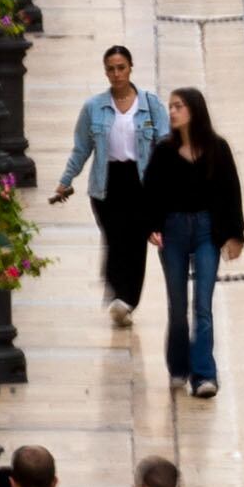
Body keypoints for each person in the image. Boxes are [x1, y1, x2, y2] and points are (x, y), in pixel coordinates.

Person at [133, 85, 244, 399]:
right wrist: (151, 227)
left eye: (178, 106)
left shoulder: (217, 149)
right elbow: (151, 193)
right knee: (177, 306)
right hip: (173, 230)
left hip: (207, 229)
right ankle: (178, 366)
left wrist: (236, 235)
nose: (172, 112)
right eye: (170, 106)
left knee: (203, 306)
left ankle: (204, 374)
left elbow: (230, 192)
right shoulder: (164, 151)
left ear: (194, 110)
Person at [52, 45, 170, 328]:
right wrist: (65, 181)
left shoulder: (151, 105)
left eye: (121, 67)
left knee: (136, 241)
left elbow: (166, 146)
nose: (116, 74)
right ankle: (117, 291)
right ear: (105, 71)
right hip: (107, 183)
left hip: (141, 181)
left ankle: (127, 299)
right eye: (111, 69)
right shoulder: (94, 108)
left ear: (131, 68)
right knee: (115, 239)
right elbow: (81, 149)